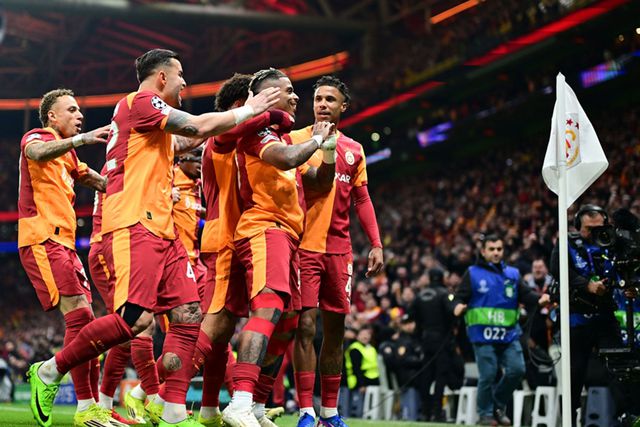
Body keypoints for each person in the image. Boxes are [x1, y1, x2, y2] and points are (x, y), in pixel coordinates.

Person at [27, 48, 280, 427]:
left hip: (164, 230)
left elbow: (186, 141)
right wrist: (250, 108)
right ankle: (50, 370)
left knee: (189, 315)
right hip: (134, 223)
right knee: (134, 320)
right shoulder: (140, 102)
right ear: (162, 77)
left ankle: (173, 411)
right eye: (180, 75)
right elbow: (196, 127)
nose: (184, 83)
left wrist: (235, 125)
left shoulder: (151, 127)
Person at [221, 67, 337, 427]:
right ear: (269, 95)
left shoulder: (284, 139)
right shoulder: (256, 133)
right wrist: (315, 140)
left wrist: (328, 152)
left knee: (287, 322)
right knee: (268, 307)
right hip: (264, 229)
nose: (296, 96)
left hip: (289, 237)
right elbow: (286, 159)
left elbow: (319, 183)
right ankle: (239, 401)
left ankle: (256, 404)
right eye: (288, 91)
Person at [289, 75, 384, 427]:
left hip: (339, 251)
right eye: (318, 98)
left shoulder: (354, 149)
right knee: (304, 326)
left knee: (336, 330)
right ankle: (305, 410)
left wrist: (376, 244)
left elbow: (362, 199)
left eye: (330, 99)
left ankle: (329, 412)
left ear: (343, 106)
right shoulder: (296, 141)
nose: (322, 104)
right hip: (303, 246)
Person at [17, 88, 114, 427]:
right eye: (71, 110)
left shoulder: (70, 157)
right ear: (52, 116)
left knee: (87, 323)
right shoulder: (38, 136)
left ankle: (89, 406)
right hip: (42, 237)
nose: (79, 115)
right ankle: (54, 380)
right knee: (81, 318)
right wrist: (81, 139)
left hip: (66, 244)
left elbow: (96, 180)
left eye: (79, 111)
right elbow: (36, 152)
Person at [453, 234, 549, 426]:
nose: (496, 252)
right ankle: (485, 414)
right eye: (492, 249)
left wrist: (540, 299)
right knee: (488, 374)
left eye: (499, 249)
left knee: (517, 370)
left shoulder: (513, 274)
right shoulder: (472, 273)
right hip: (483, 335)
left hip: (509, 334)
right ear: (483, 252)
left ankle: (496, 405)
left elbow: (526, 295)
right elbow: (458, 297)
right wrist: (456, 306)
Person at [549, 204, 629, 426]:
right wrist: (587, 285)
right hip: (577, 318)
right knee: (574, 373)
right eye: (589, 229)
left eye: (599, 228)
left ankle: (627, 416)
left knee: (619, 367)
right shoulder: (566, 243)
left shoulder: (613, 243)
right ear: (578, 227)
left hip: (605, 316)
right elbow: (557, 269)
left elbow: (624, 269)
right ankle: (569, 419)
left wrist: (626, 285)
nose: (595, 233)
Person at [89, 184, 160, 426]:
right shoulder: (124, 168)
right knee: (133, 326)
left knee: (132, 329)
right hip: (110, 245)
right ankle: (153, 400)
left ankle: (108, 405)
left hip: (123, 244)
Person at [409, 268, 456, 421]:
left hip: (425, 340)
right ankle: (437, 411)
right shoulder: (444, 294)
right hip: (441, 340)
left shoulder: (420, 295)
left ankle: (425, 411)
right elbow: (452, 313)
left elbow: (411, 315)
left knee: (426, 376)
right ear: (441, 278)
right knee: (440, 376)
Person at [344, 325, 380, 418]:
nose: (365, 336)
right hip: (358, 381)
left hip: (372, 380)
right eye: (363, 334)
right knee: (358, 406)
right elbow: (356, 368)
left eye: (368, 334)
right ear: (357, 336)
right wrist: (361, 384)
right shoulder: (355, 349)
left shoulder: (371, 348)